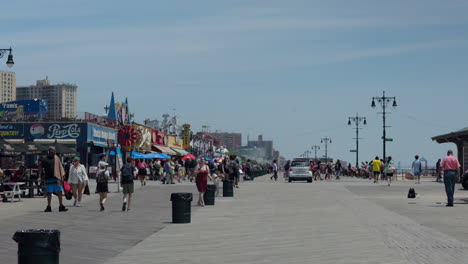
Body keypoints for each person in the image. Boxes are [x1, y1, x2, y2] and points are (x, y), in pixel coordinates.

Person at [39, 146, 68, 212]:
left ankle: (61, 206)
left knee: (60, 192)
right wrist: (40, 176)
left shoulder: (57, 158)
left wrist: (62, 175)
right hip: (49, 178)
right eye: (52, 151)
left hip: (57, 178)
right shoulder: (45, 159)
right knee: (49, 193)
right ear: (49, 151)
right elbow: (40, 168)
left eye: (54, 151)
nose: (54, 152)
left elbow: (60, 167)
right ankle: (49, 206)